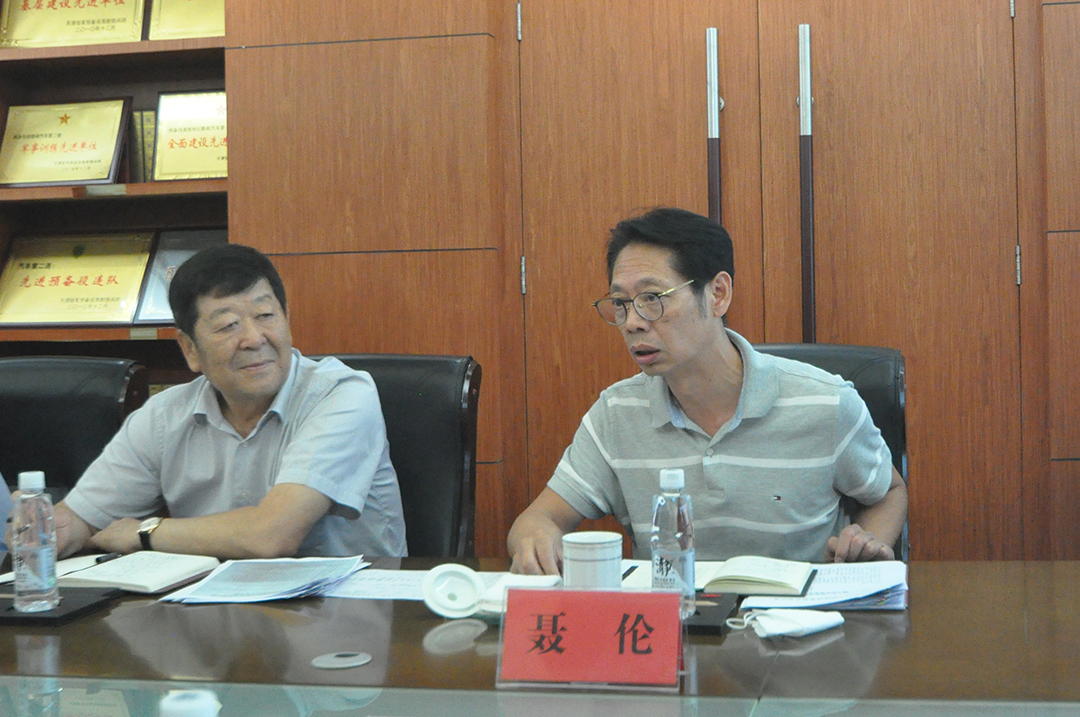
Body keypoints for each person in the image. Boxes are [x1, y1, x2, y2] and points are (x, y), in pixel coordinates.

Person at [508, 208, 907, 574]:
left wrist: (866, 546)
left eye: (652, 298)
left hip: (795, 620)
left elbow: (889, 490)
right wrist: (535, 537)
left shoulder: (825, 402)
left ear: (718, 294)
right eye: (620, 303)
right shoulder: (616, 413)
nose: (632, 322)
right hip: (673, 618)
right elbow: (539, 518)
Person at [52, 244, 407, 559]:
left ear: (286, 320)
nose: (254, 339)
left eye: (265, 316)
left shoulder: (342, 394)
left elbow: (272, 535)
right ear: (190, 349)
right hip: (212, 606)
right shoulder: (163, 417)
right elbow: (81, 519)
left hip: (345, 606)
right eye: (228, 326)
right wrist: (42, 531)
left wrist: (144, 533)